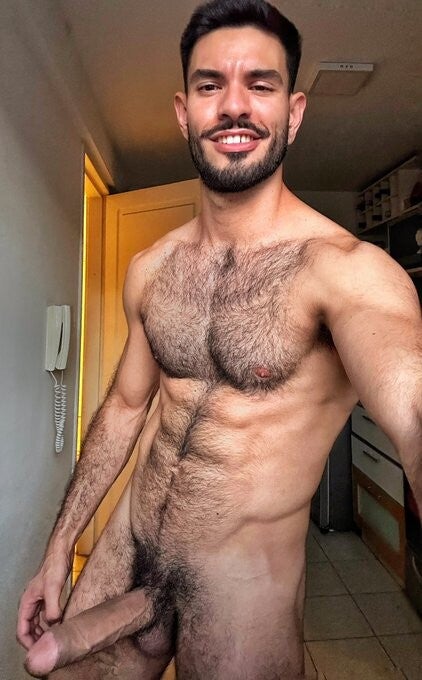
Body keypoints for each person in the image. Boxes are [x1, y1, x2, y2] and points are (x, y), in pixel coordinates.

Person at [18, 0, 422, 678]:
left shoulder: (347, 272)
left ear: (293, 111)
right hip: (125, 554)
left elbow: (412, 406)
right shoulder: (152, 268)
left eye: (260, 85)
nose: (234, 106)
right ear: (185, 111)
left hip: (241, 594)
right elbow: (125, 407)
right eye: (211, 85)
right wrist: (60, 546)